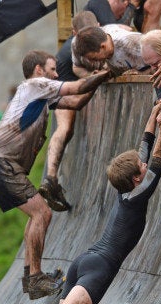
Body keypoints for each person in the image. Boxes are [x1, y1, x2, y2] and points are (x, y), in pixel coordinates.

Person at [0, 50, 112, 299]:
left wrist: (97, 81)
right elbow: (78, 86)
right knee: (42, 213)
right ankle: (36, 278)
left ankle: (31, 277)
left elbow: (77, 101)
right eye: (52, 69)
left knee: (35, 215)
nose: (56, 74)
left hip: (0, 165)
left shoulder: (40, 95)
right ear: (39, 70)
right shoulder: (35, 84)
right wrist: (106, 72)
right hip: (0, 163)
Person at [26, 104, 161, 304]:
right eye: (141, 167)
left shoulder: (126, 190)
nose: (144, 165)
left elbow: (145, 146)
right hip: (100, 267)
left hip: (84, 261)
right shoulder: (138, 195)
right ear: (137, 178)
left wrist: (154, 113)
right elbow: (158, 160)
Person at [41, 11, 107, 213]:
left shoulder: (80, 40)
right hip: (64, 85)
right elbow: (82, 75)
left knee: (65, 129)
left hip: (64, 84)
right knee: (64, 127)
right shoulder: (77, 45)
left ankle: (51, 177)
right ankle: (51, 177)